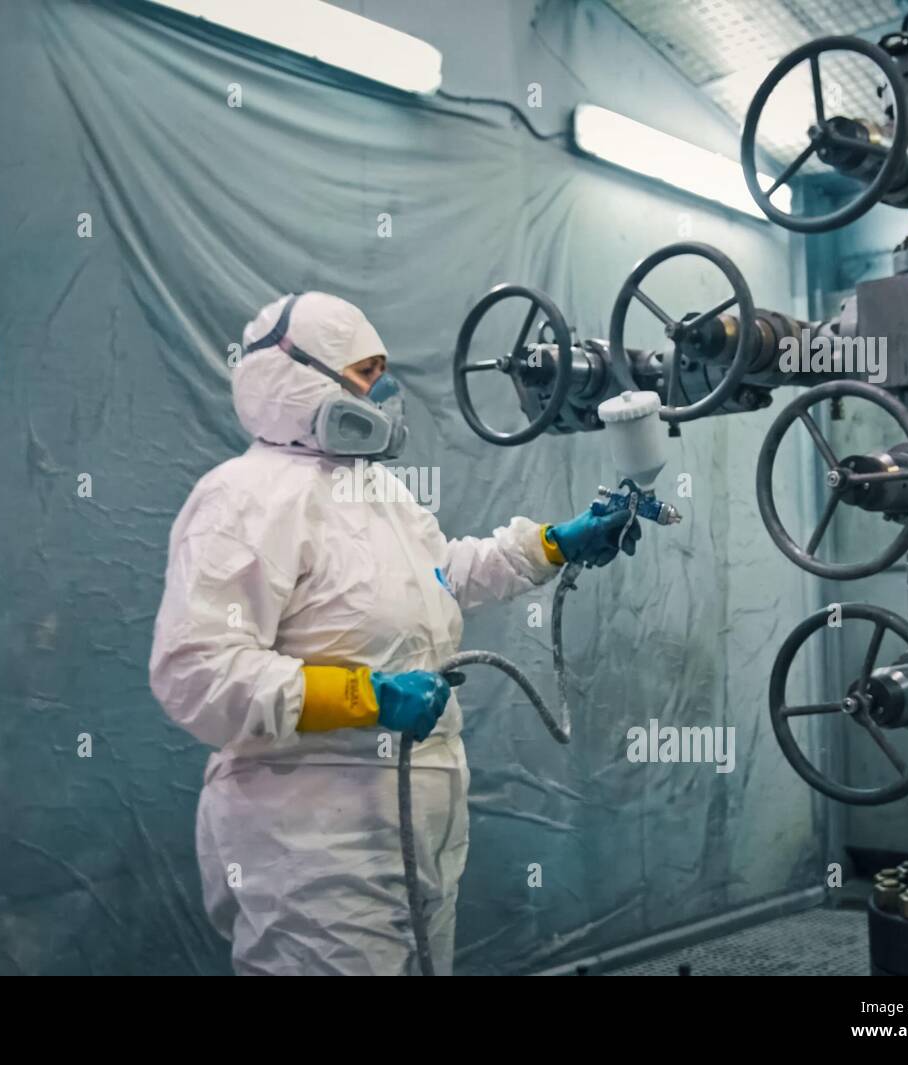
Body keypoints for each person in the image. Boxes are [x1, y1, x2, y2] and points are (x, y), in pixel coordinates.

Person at [149, 291, 640, 975]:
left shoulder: (376, 491)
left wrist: (557, 543)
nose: (385, 390)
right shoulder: (242, 497)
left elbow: (445, 575)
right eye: (364, 374)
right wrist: (365, 696)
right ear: (299, 376)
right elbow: (195, 671)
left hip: (419, 825)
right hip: (313, 842)